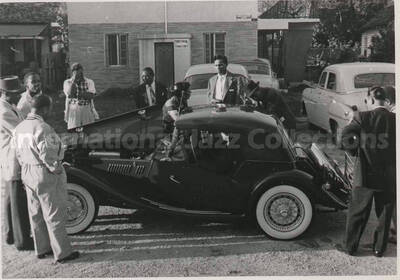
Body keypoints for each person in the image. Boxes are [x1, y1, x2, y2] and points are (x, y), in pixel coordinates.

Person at [13, 94, 79, 263]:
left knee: (35, 213)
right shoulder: (43, 127)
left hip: (27, 172)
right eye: (50, 107)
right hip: (44, 173)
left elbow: (18, 153)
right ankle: (63, 253)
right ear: (44, 108)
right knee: (54, 214)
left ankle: (42, 248)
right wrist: (58, 169)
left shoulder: (19, 127)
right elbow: (48, 156)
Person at [339, 86, 396, 257]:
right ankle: (379, 248)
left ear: (370, 100)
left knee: (358, 211)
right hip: (388, 174)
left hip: (365, 172)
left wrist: (355, 151)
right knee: (385, 212)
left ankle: (350, 247)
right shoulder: (395, 119)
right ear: (385, 100)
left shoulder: (362, 117)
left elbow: (345, 136)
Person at [0, 75, 33, 250]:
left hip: (10, 158)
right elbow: (21, 131)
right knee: (18, 199)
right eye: (14, 93)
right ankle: (22, 240)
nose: (19, 96)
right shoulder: (4, 111)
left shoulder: (10, 106)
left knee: (9, 199)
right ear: (5, 93)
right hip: (13, 159)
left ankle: (10, 234)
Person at [63, 63, 99, 130]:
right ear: (73, 72)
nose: (79, 74)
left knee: (88, 131)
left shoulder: (89, 82)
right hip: (73, 109)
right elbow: (70, 95)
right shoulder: (67, 82)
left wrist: (78, 94)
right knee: (74, 131)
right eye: (76, 71)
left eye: (80, 71)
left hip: (86, 108)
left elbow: (91, 96)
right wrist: (75, 81)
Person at [162, 82, 191, 158]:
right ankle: (170, 152)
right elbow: (178, 120)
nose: (190, 92)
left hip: (179, 132)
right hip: (170, 134)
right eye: (188, 90)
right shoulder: (170, 103)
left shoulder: (182, 101)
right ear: (182, 92)